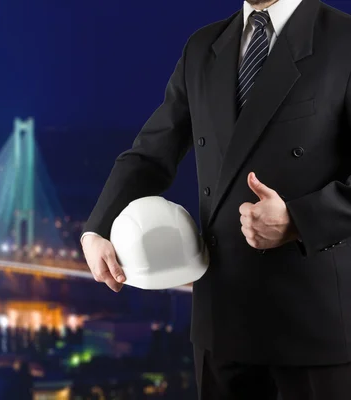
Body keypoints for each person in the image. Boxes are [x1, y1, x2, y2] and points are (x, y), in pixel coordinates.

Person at [80, 0, 351, 398]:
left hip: (315, 323)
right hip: (221, 319)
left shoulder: (344, 40)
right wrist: (96, 229)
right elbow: (151, 153)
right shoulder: (202, 47)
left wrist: (298, 220)